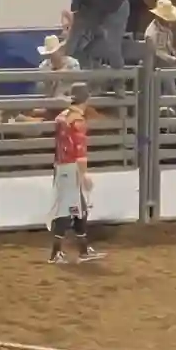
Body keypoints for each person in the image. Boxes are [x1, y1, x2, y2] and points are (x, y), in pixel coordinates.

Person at [47, 82, 106, 264]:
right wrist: (83, 175)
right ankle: (57, 253)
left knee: (77, 209)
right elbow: (79, 153)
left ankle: (82, 249)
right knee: (68, 211)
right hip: (71, 168)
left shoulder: (62, 117)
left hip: (62, 167)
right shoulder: (78, 121)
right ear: (86, 99)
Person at [144, 0, 176, 95]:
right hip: (156, 66)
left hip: (167, 64)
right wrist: (172, 60)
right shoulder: (152, 33)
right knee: (170, 87)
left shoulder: (166, 30)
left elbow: (168, 47)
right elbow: (156, 52)